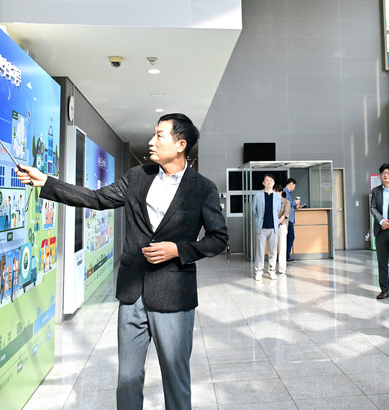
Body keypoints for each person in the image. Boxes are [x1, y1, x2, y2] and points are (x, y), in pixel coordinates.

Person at [17, 113, 228, 410]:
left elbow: (218, 238)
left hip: (174, 295)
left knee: (175, 378)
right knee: (127, 378)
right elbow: (96, 198)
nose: (151, 141)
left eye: (159, 135)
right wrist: (46, 182)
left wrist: (178, 250)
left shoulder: (203, 188)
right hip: (132, 293)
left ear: (181, 144)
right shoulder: (137, 176)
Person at [370, 163, 389, 299]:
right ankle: (384, 290)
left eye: (388, 172)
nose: (385, 175)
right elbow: (373, 208)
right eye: (383, 173)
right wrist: (381, 221)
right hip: (380, 231)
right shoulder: (376, 191)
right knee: (382, 262)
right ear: (380, 175)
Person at [251, 174, 281, 281]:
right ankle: (258, 271)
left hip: (273, 228)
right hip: (261, 227)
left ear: (274, 183)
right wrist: (259, 219)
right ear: (263, 183)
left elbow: (278, 210)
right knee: (260, 251)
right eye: (267, 180)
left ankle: (272, 271)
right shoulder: (258, 195)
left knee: (273, 251)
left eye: (271, 180)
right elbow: (254, 209)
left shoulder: (277, 196)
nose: (269, 182)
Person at [274, 184, 290, 275]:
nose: (275, 193)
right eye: (274, 191)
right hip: (273, 226)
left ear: (281, 192)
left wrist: (279, 220)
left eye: (277, 191)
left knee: (282, 247)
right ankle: (272, 268)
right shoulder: (272, 201)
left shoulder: (286, 202)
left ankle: (281, 268)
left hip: (282, 226)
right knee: (273, 247)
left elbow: (286, 213)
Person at [284, 178, 297, 261]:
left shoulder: (288, 192)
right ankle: (287, 256)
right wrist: (295, 203)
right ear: (291, 183)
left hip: (290, 218)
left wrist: (295, 206)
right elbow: (287, 203)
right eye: (294, 186)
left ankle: (287, 255)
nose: (294, 188)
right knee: (291, 236)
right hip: (288, 218)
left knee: (290, 237)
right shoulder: (285, 192)